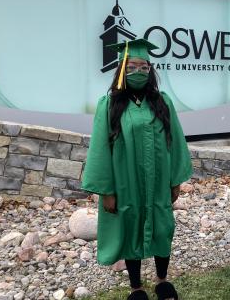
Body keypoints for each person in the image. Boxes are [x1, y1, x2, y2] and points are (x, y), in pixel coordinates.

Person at [81, 38, 192, 300]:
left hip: (159, 181)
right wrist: (106, 190)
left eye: (144, 67)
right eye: (132, 67)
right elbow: (99, 149)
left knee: (163, 227)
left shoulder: (162, 101)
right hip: (125, 182)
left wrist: (176, 180)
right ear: (121, 70)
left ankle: (163, 280)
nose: (138, 72)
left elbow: (175, 141)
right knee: (131, 227)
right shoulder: (108, 105)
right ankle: (136, 287)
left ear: (150, 70)